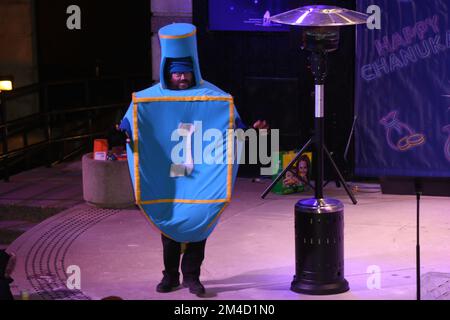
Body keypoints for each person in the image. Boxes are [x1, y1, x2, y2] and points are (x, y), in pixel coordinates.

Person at [120, 23, 268, 296]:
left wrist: (252, 132)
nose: (181, 78)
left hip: (201, 176)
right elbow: (129, 123)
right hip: (170, 178)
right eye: (176, 74)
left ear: (194, 69)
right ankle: (170, 276)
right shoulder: (148, 100)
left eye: (185, 72)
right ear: (168, 72)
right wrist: (125, 132)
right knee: (170, 223)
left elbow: (232, 128)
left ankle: (192, 277)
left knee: (199, 223)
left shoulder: (214, 97)